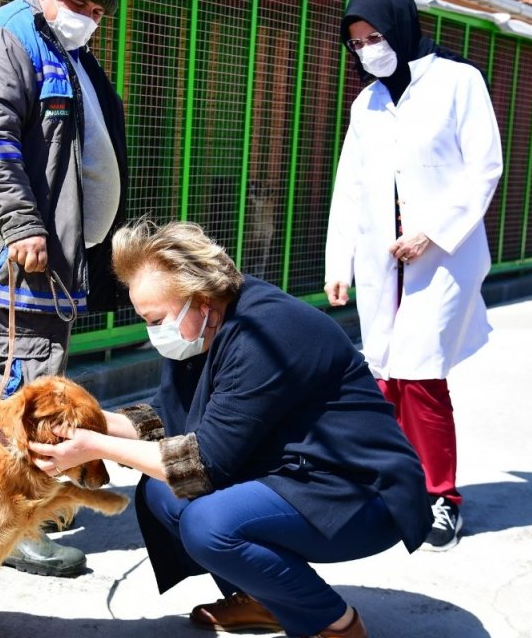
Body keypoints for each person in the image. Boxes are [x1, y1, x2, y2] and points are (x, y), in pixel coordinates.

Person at [29, 221, 432, 638]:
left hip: (358, 490)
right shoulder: (204, 324)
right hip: (293, 471)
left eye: (156, 319)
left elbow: (201, 465)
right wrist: (83, 424)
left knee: (209, 522)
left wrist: (95, 445)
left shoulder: (265, 334)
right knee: (161, 492)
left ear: (200, 301)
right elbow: (168, 417)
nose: (154, 333)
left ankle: (335, 624)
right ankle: (264, 598)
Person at [0, 0, 128, 578]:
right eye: (80, 2)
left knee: (35, 386)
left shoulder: (61, 45)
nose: (91, 14)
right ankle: (6, 525)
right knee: (17, 392)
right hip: (18, 260)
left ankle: (30, 505)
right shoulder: (6, 39)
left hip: (54, 262)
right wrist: (23, 223)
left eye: (100, 6)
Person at [323, 0, 503, 551]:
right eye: (356, 42)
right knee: (383, 374)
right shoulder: (367, 103)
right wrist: (340, 262)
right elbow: (349, 186)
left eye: (373, 35)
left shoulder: (458, 81)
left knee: (420, 371)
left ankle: (442, 497)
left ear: (399, 26)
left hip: (444, 255)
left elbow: (485, 168)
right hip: (382, 257)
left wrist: (434, 230)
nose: (366, 49)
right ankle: (393, 482)